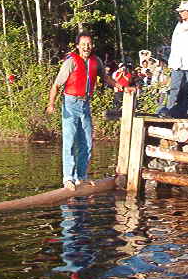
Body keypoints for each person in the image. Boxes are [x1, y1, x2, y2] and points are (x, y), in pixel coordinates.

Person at [46, 31, 133, 190]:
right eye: (83, 44)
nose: (86, 47)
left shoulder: (96, 61)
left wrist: (120, 86)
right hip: (70, 103)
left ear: (92, 46)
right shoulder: (71, 62)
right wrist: (51, 104)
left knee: (86, 142)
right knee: (70, 141)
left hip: (85, 104)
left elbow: (105, 78)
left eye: (89, 44)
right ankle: (68, 178)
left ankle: (81, 177)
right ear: (78, 46)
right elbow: (57, 84)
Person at [158, 0, 188, 119]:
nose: (181, 13)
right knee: (174, 88)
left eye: (183, 11)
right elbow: (174, 44)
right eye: (180, 11)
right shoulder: (178, 26)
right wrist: (172, 61)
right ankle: (169, 110)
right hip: (178, 62)